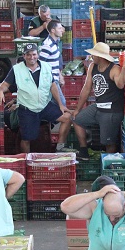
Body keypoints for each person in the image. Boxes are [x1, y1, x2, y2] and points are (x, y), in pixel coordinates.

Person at [0, 43, 73, 153]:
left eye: (34, 54)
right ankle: (26, 159)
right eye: (28, 55)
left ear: (38, 54)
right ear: (24, 55)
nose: (32, 57)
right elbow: (5, 84)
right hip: (27, 109)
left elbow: (53, 86)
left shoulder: (46, 67)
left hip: (44, 105)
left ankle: (60, 148)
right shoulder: (17, 69)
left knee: (67, 118)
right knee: (26, 139)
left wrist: (60, 104)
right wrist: (0, 91)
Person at [71, 43, 125, 156]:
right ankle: (84, 151)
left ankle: (110, 162)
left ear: (100, 57)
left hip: (111, 111)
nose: (91, 57)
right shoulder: (92, 67)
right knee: (77, 120)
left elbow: (120, 84)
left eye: (93, 55)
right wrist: (77, 109)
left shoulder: (114, 69)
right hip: (98, 106)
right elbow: (86, 89)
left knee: (108, 143)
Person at [38, 19, 73, 152]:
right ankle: (59, 145)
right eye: (59, 28)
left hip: (55, 81)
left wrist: (60, 75)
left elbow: (55, 63)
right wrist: (51, 83)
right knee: (63, 109)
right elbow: (40, 65)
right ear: (52, 30)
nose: (62, 30)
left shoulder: (55, 43)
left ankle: (49, 128)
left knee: (61, 110)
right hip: (50, 84)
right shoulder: (47, 45)